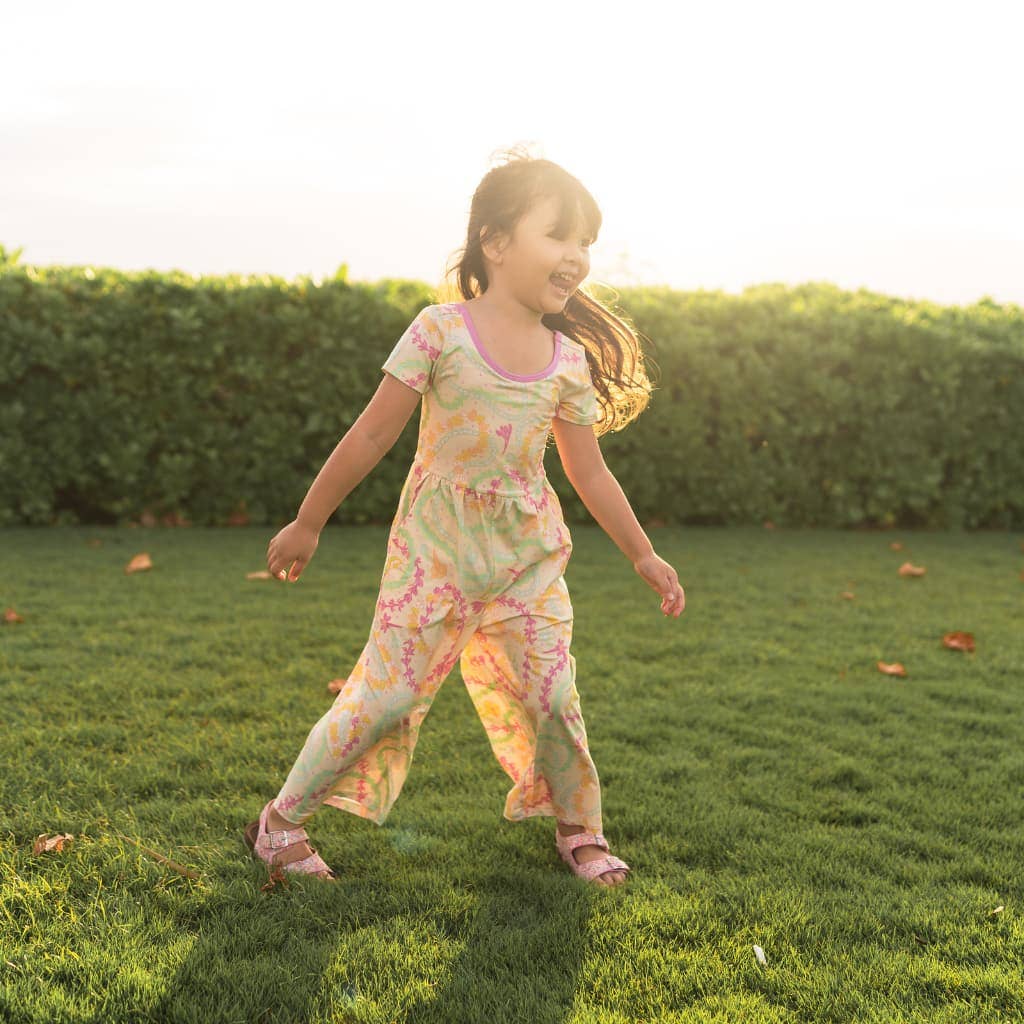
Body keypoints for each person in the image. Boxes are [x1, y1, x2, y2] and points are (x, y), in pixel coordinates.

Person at [244, 147, 686, 888]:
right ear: (497, 241)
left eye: (586, 243)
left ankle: (579, 828)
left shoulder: (567, 360)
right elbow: (373, 433)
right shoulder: (438, 332)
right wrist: (309, 520)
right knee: (384, 699)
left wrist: (642, 554)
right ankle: (280, 820)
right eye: (560, 235)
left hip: (526, 558)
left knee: (551, 697)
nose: (576, 256)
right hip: (434, 554)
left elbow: (588, 469)